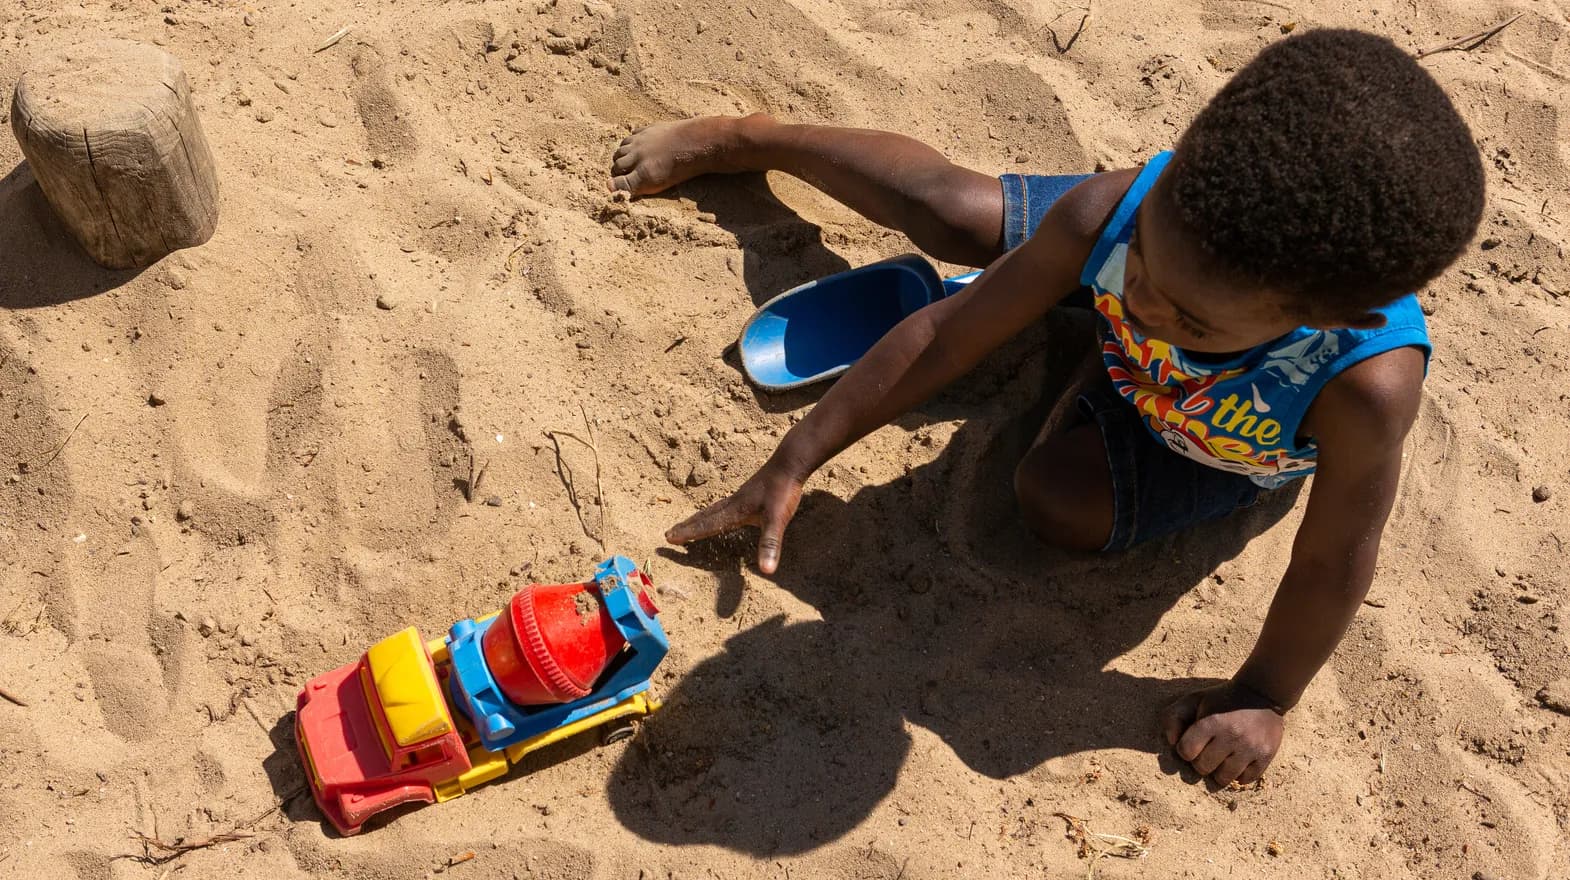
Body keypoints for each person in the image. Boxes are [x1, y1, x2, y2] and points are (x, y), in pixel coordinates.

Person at [609, 29, 1484, 787]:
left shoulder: (1361, 388)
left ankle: (1046, 321)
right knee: (951, 209)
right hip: (1105, 299)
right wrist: (794, 459)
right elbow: (949, 337)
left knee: (1056, 502)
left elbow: (1334, 560)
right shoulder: (1124, 214)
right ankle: (752, 137)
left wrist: (1263, 696)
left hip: (1217, 438)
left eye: (1187, 315)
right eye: (1142, 260)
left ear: (1326, 319)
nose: (1142, 300)